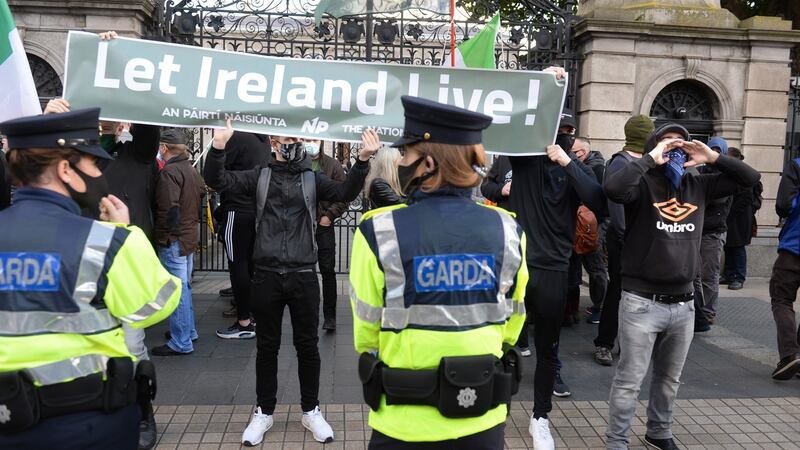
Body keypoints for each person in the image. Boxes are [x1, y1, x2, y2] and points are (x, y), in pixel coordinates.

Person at [349, 95, 527, 450]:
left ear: (428, 162)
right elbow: (512, 323)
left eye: (406, 155)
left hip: (403, 422)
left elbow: (367, 336)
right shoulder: (509, 229)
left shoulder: (378, 230)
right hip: (482, 418)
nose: (400, 161)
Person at [0, 107, 181, 449]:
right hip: (89, 424)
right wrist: (126, 231)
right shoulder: (107, 242)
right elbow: (156, 304)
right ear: (65, 169)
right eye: (93, 164)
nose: (100, 172)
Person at [204, 120, 378, 446]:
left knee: (308, 347)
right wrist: (217, 147)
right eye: (287, 138)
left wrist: (363, 160)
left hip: (302, 274)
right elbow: (217, 180)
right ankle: (264, 412)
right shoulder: (260, 176)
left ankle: (310, 410)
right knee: (266, 347)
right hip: (267, 274)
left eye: (297, 138)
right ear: (273, 142)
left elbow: (344, 192)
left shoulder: (311, 178)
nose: (293, 143)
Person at [603, 124, 760, 450]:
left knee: (669, 379)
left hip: (684, 304)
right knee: (629, 381)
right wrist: (649, 159)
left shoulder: (700, 184)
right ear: (653, 147)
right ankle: (617, 442)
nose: (674, 147)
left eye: (680, 142)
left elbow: (750, 178)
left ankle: (658, 433)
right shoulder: (641, 182)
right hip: (640, 302)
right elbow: (614, 190)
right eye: (666, 141)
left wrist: (713, 156)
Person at [507, 68, 604, 447]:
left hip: (553, 270)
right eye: (556, 127)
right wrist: (543, 84)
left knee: (548, 348)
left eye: (566, 130)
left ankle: (540, 416)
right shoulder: (526, 159)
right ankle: (490, 410)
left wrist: (568, 162)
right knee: (499, 345)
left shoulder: (573, 167)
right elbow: (511, 119)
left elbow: (598, 200)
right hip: (515, 268)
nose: (560, 133)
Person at [592, 114, 654, 367]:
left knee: (639, 295)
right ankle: (604, 343)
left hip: (643, 239)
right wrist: (628, 240)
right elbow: (617, 212)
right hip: (626, 241)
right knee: (618, 292)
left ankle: (629, 343)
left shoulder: (650, 161)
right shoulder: (621, 162)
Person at [150, 129, 203, 356]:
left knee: (176, 290)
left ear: (164, 148)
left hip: (174, 239)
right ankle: (187, 332)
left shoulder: (169, 172)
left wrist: (162, 236)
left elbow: (168, 209)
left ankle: (181, 341)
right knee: (184, 287)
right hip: (188, 236)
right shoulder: (190, 170)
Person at [214, 131, 270, 336]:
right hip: (255, 210)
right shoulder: (262, 139)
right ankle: (251, 315)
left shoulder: (238, 137)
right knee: (250, 265)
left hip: (236, 208)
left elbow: (217, 172)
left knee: (237, 265)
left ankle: (244, 321)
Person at [307, 139, 348, 331]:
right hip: (303, 227)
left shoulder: (333, 165)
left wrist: (329, 215)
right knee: (305, 272)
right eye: (306, 139)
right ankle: (309, 314)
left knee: (327, 270)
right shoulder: (298, 163)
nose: (310, 143)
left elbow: (344, 195)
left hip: (324, 225)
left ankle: (329, 317)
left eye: (314, 140)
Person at [692, 137, 733, 328]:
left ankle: (708, 312)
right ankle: (698, 310)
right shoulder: (700, 171)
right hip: (696, 230)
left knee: (709, 275)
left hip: (712, 233)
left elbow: (717, 199)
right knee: (695, 274)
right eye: (711, 149)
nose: (713, 152)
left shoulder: (725, 175)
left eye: (717, 150)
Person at [566, 136, 608, 325]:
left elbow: (595, 200)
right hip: (584, 225)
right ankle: (586, 307)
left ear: (581, 153)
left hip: (593, 227)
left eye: (573, 153)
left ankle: (599, 307)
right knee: (582, 266)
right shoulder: (592, 165)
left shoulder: (596, 169)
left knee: (595, 267)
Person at [769, 154, 800, 380]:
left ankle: (790, 354)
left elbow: (784, 205)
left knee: (782, 299)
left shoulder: (796, 164)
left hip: (795, 246)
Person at [722, 147, 761, 290]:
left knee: (737, 247)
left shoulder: (743, 173)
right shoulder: (731, 172)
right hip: (731, 216)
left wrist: (729, 214)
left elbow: (746, 197)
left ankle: (739, 277)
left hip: (740, 217)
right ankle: (729, 274)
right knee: (728, 246)